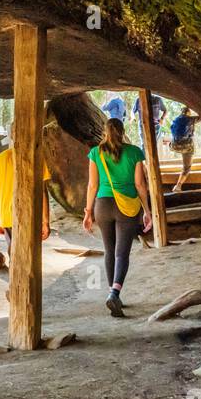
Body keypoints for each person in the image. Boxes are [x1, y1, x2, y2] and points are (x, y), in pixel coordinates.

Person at [82, 117, 151, 317]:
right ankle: (115, 292)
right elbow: (140, 185)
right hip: (127, 206)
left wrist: (88, 212)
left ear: (105, 132)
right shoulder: (134, 152)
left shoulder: (96, 153)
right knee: (122, 253)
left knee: (109, 250)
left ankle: (112, 293)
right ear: (122, 131)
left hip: (102, 205)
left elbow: (92, 185)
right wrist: (146, 210)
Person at [0, 129, 51, 255]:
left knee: (15, 253)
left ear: (10, 136)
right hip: (31, 215)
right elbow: (43, 192)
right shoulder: (37, 158)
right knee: (28, 254)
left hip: (7, 216)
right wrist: (45, 221)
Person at [170, 106, 201, 192]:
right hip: (186, 146)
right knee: (186, 167)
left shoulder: (176, 119)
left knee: (175, 142)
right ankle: (178, 185)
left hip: (174, 146)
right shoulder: (191, 119)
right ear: (188, 112)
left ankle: (178, 186)